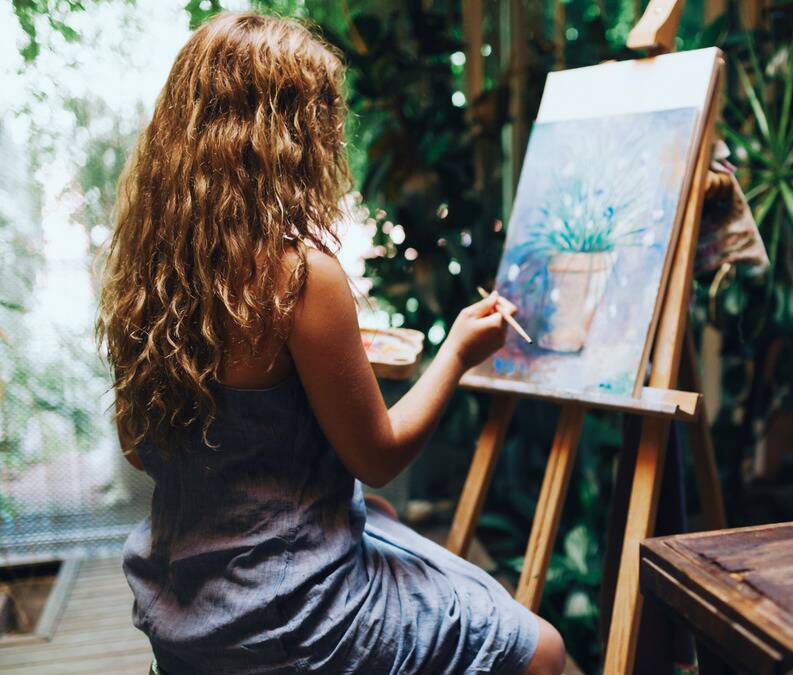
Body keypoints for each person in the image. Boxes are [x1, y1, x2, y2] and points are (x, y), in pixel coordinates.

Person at [96, 12, 564, 674]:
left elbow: (139, 451)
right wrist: (457, 349)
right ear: (284, 136)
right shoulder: (298, 276)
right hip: (289, 617)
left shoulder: (147, 269)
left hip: (183, 608)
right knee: (541, 648)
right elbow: (379, 455)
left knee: (381, 519)